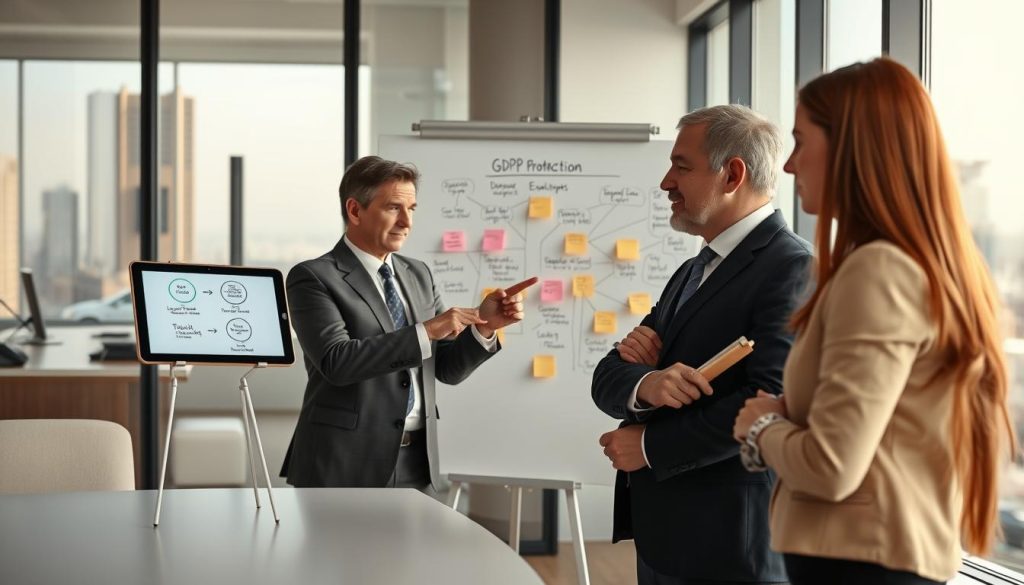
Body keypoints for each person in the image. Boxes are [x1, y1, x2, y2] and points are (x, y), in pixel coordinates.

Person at [733, 57, 1015, 585]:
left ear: (850, 149)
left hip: (862, 566)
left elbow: (831, 466)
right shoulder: (911, 266)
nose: (790, 166)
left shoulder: (879, 271)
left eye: (801, 141)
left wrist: (762, 426)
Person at [592, 104, 812, 585]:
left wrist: (650, 445)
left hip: (728, 548)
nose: (666, 182)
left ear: (733, 174)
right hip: (666, 538)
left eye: (681, 166)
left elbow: (770, 402)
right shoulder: (694, 269)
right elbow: (608, 374)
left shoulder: (792, 268)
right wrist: (648, 384)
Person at [280, 155, 536, 491]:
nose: (406, 222)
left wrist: (485, 326)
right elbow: (336, 361)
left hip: (417, 461)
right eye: (393, 208)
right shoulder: (313, 276)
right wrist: (427, 330)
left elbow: (446, 368)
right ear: (355, 211)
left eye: (412, 208)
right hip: (342, 463)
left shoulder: (418, 274)